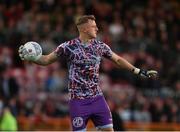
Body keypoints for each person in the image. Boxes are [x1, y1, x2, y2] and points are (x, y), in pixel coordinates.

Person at [18, 15, 157, 131]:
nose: (97, 28)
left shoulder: (100, 46)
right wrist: (33, 58)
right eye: (93, 26)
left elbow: (118, 60)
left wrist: (139, 71)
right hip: (78, 102)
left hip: (97, 98)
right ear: (84, 28)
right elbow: (47, 60)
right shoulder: (68, 47)